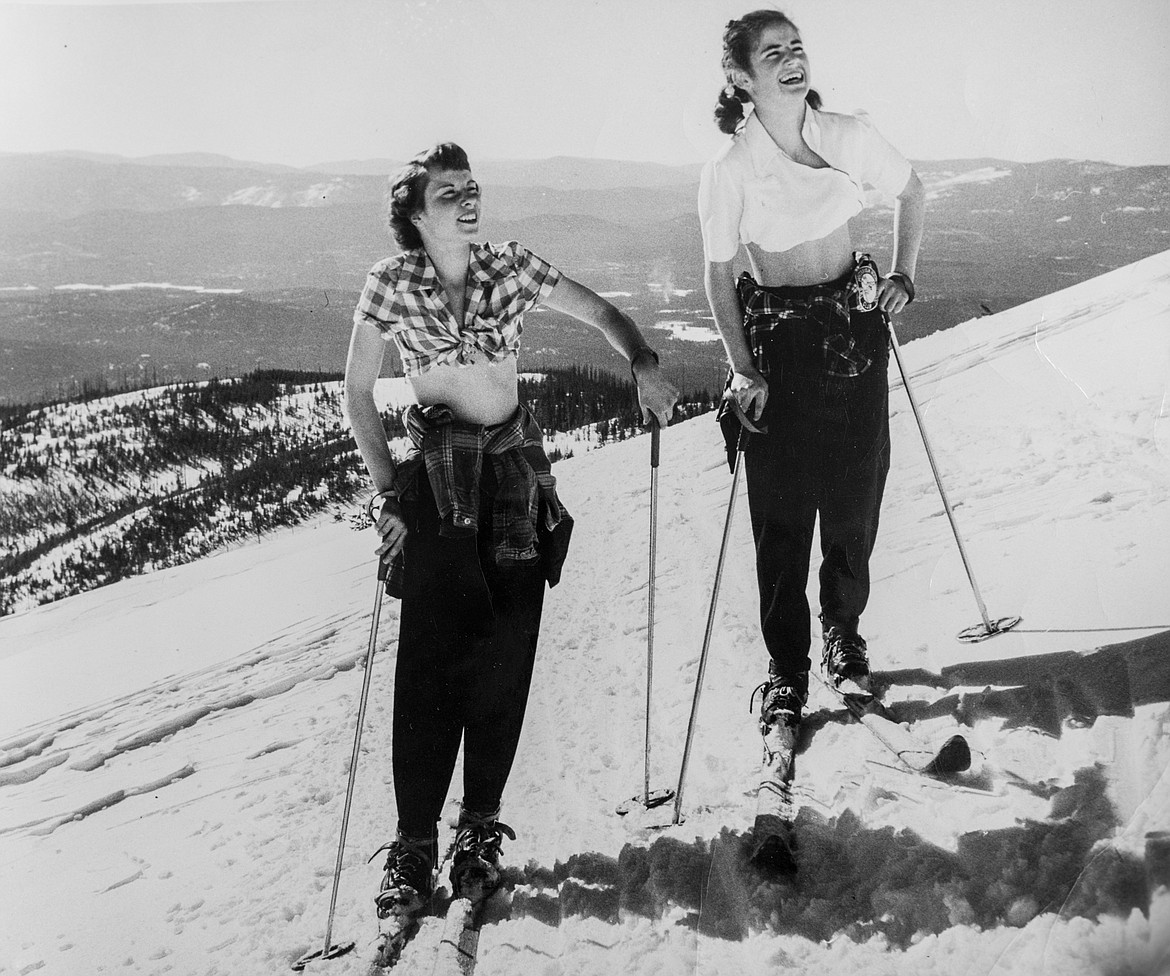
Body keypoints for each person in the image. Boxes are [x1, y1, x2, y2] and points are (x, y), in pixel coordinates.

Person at [345, 142, 678, 919]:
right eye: (447, 192)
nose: (466, 200)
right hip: (434, 483)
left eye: (470, 186)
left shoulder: (511, 266)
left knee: (505, 660)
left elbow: (600, 313)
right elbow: (355, 390)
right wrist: (387, 489)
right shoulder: (390, 284)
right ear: (414, 214)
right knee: (429, 669)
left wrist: (642, 360)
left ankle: (477, 834)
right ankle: (414, 845)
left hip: (512, 480)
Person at [697, 11, 925, 740]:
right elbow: (717, 275)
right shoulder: (730, 168)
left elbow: (913, 191)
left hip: (854, 333)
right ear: (742, 75)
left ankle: (843, 636)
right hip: (778, 348)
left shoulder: (848, 134)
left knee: (855, 503)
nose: (793, 61)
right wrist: (741, 369)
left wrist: (904, 277)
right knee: (783, 517)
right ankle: (785, 669)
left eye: (797, 48)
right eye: (774, 53)